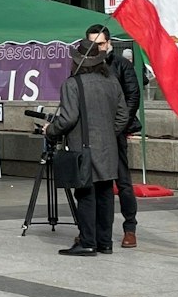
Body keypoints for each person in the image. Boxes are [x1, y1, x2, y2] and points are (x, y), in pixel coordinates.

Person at [44, 38, 132, 257]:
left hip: (83, 147)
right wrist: (109, 133)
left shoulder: (72, 84)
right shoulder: (112, 81)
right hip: (108, 147)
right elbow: (123, 114)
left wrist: (50, 130)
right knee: (105, 195)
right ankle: (105, 242)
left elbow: (68, 119)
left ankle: (87, 241)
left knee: (85, 195)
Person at [87, 25, 142, 248]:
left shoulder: (121, 65)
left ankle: (130, 228)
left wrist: (118, 127)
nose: (97, 49)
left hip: (115, 132)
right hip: (92, 133)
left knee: (123, 181)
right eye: (92, 44)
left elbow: (132, 97)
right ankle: (94, 231)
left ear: (109, 43)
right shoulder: (85, 65)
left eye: (100, 44)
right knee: (95, 184)